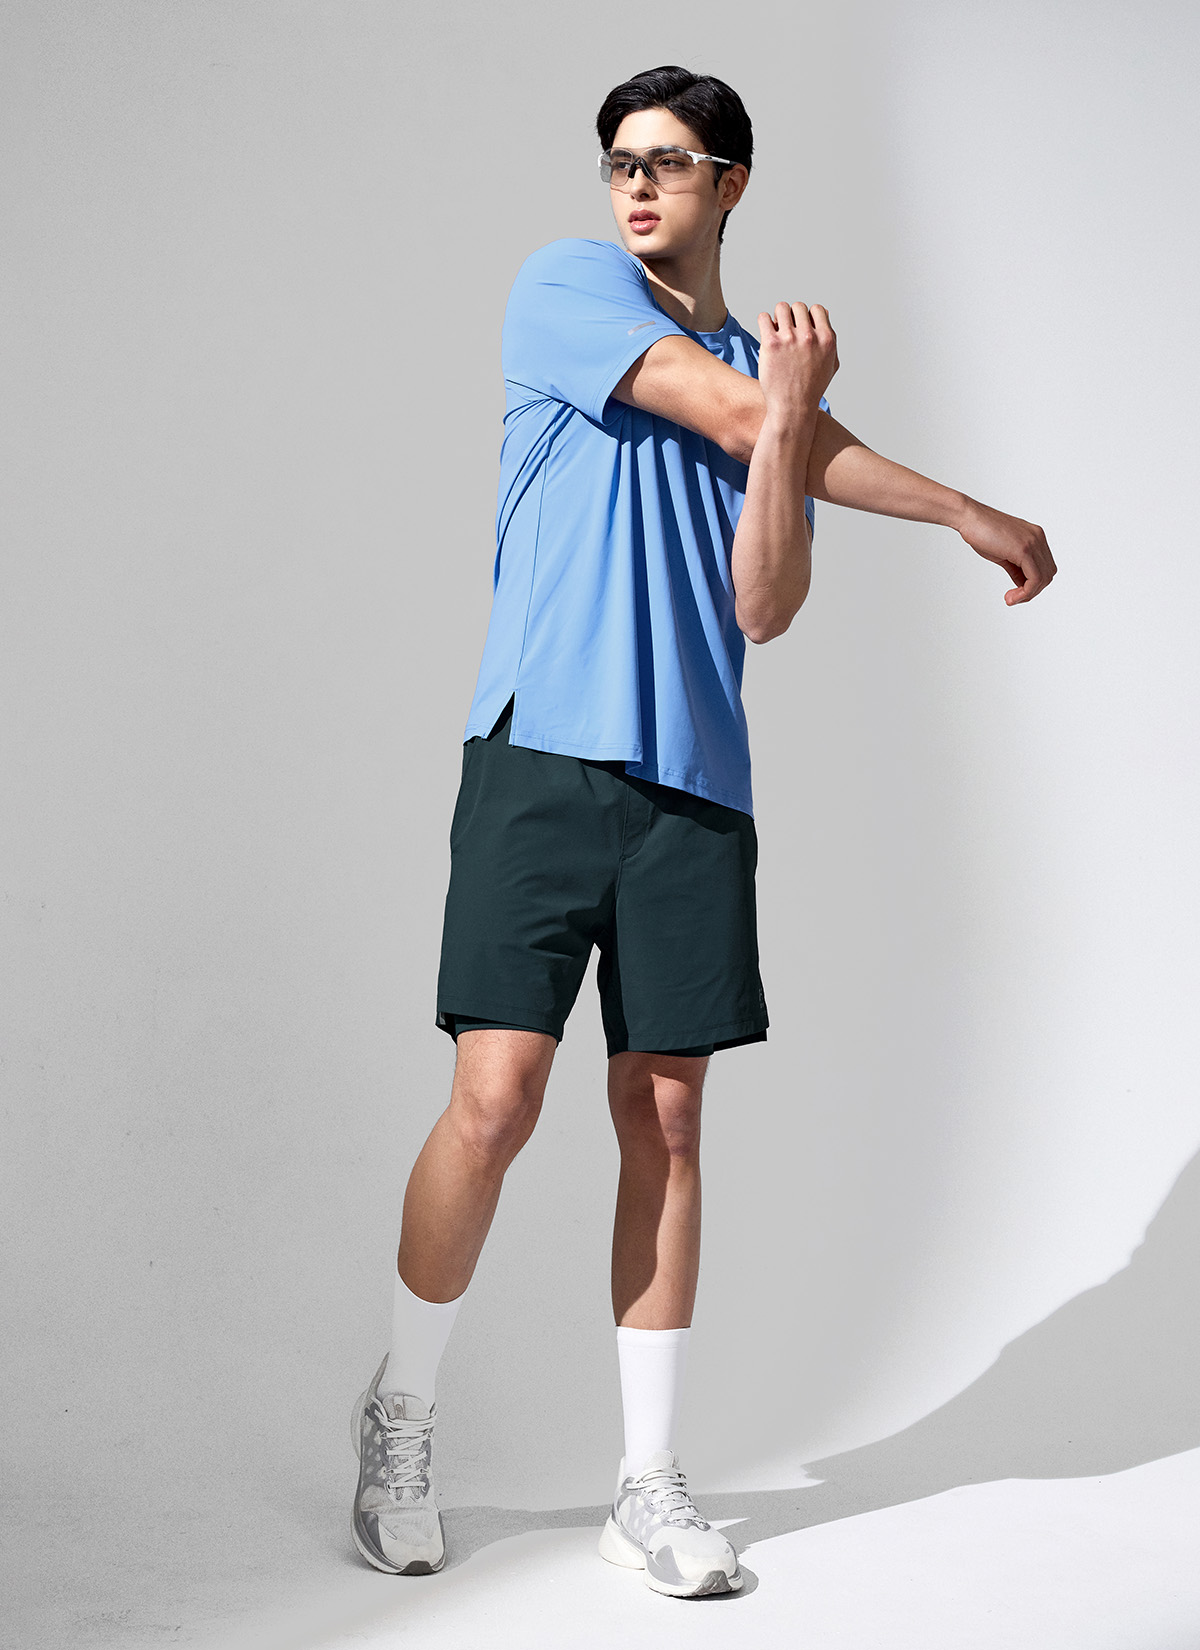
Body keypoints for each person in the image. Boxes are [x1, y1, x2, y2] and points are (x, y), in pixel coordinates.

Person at [351, 64, 1056, 1599]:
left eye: (669, 161)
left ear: (730, 182)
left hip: (696, 791)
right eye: (621, 159)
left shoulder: (762, 379)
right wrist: (906, 477)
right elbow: (744, 411)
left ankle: (648, 1482)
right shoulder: (568, 289)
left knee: (665, 1117)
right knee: (496, 1097)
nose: (637, 183)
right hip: (539, 757)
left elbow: (766, 599)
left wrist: (847, 455)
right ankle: (401, 1413)